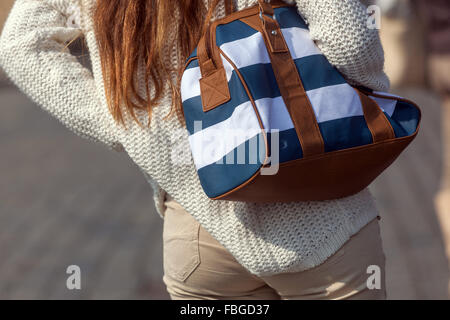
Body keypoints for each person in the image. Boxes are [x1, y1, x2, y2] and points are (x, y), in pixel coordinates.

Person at [0, 0, 389, 300]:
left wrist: (130, 124)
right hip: (325, 225)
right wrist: (371, 94)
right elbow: (350, 41)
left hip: (199, 232)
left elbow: (21, 42)